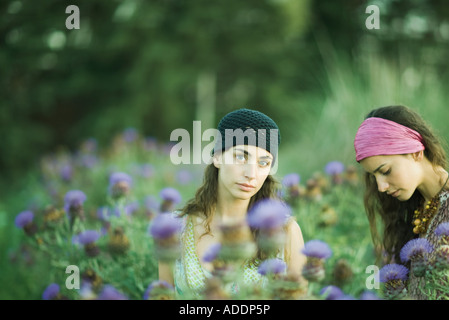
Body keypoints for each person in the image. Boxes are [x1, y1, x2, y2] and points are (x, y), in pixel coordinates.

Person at [158, 108, 307, 298]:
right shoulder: (175, 228)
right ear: (217, 157)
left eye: (263, 162)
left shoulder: (286, 231)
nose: (251, 173)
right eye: (240, 156)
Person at [353, 105, 449, 299]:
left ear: (416, 152)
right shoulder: (417, 210)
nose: (380, 187)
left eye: (386, 171)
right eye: (374, 177)